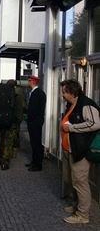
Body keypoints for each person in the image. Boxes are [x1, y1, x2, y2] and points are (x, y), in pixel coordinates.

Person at [60, 79, 100, 224]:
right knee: (71, 180)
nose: (62, 95)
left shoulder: (85, 104)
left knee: (80, 182)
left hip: (80, 150)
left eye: (64, 92)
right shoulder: (72, 103)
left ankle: (83, 215)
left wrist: (71, 128)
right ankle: (77, 206)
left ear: (72, 92)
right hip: (70, 149)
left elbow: (95, 124)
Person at [0, 80, 24, 170]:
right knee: (8, 141)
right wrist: (18, 121)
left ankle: (0, 156)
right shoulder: (17, 96)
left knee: (0, 138)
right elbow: (19, 110)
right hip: (11, 122)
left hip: (0, 121)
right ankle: (5, 161)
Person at [26, 75, 46, 171]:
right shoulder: (35, 92)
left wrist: (29, 119)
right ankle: (34, 161)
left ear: (33, 82)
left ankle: (38, 164)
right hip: (34, 121)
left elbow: (34, 109)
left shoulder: (38, 93)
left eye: (29, 81)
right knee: (34, 142)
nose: (28, 82)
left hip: (35, 122)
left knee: (36, 143)